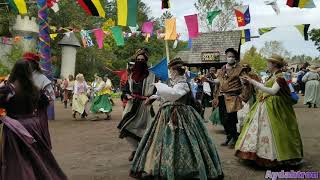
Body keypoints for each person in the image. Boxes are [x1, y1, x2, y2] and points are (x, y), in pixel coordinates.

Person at [130, 58, 224, 180]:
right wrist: (153, 97)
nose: (170, 73)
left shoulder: (184, 84)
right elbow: (164, 94)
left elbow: (174, 95)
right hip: (166, 114)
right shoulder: (173, 84)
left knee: (183, 140)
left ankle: (185, 169)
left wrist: (159, 86)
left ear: (176, 71)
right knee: (160, 140)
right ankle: (157, 165)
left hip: (180, 115)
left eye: (171, 70)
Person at [0, 60, 67, 180]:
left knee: (16, 158)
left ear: (14, 71)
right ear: (29, 72)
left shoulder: (8, 89)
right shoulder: (34, 89)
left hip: (15, 128)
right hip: (32, 125)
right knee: (36, 155)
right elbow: (45, 102)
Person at [235, 54, 303, 168]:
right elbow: (264, 89)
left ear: (275, 64)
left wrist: (253, 81)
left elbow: (272, 91)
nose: (267, 64)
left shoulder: (281, 77)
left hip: (276, 107)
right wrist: (248, 82)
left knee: (278, 130)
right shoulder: (272, 76)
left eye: (269, 63)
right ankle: (257, 154)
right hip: (266, 105)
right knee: (260, 130)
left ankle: (279, 157)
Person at [117, 48, 156, 162]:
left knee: (147, 130)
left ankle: (143, 153)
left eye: (142, 60)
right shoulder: (130, 75)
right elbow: (125, 89)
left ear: (146, 61)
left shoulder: (151, 76)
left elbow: (156, 92)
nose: (140, 61)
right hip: (131, 105)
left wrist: (150, 99)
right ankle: (136, 149)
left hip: (145, 106)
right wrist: (127, 95)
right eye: (138, 59)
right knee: (124, 127)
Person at [213, 48, 251, 148]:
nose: (230, 58)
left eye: (233, 57)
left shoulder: (240, 69)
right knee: (223, 119)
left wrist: (244, 89)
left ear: (235, 58)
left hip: (233, 97)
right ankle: (229, 137)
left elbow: (245, 82)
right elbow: (218, 81)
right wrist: (210, 80)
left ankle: (234, 138)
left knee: (231, 119)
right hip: (222, 96)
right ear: (226, 57)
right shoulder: (222, 69)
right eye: (229, 56)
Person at [23, 52, 55, 150]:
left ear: (33, 64)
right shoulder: (20, 76)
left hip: (37, 114)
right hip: (21, 114)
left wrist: (39, 101)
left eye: (27, 62)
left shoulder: (42, 78)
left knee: (38, 140)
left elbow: (51, 97)